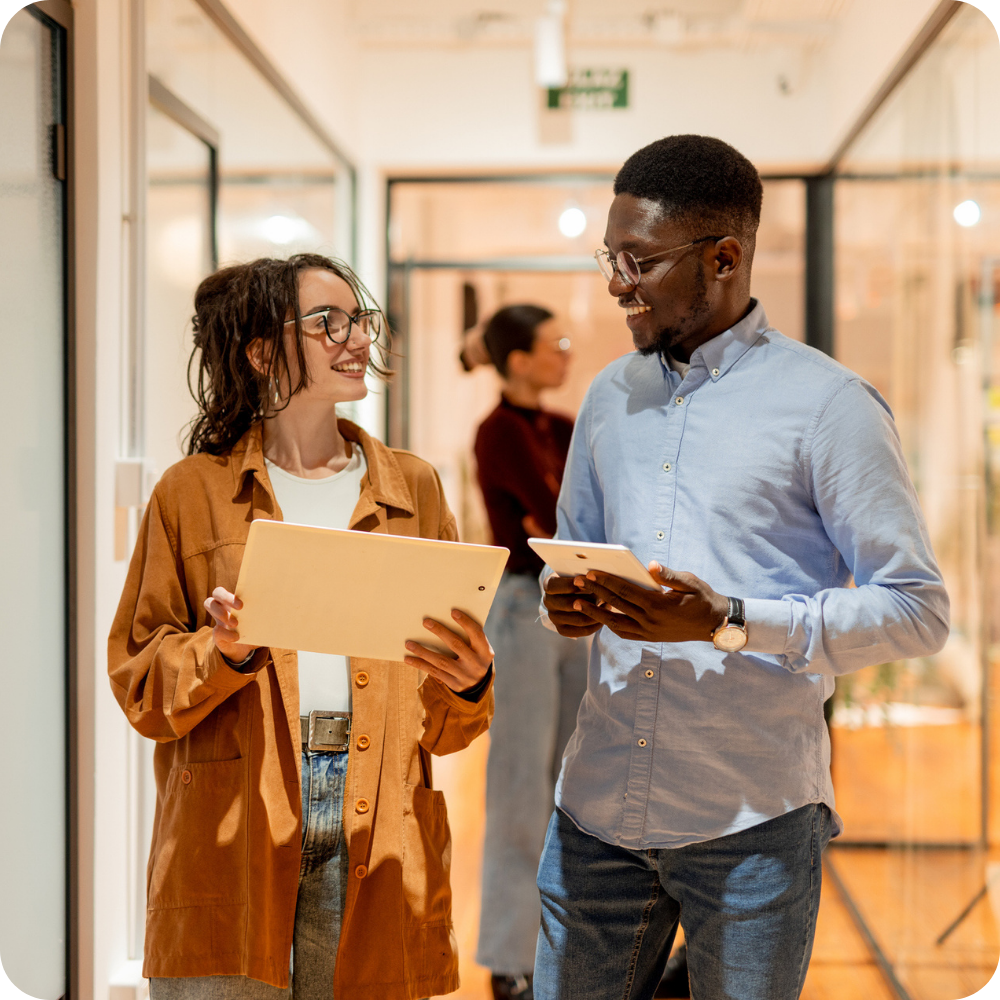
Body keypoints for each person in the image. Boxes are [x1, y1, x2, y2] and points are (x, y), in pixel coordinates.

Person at [534, 135, 950, 1000]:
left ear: (724, 256)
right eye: (612, 257)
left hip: (752, 825)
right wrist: (563, 602)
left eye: (638, 261)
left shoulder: (830, 406)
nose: (616, 282)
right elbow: (569, 550)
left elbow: (917, 608)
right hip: (596, 813)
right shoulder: (610, 396)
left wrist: (729, 621)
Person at [107, 253, 496, 1000]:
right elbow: (140, 686)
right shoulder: (191, 492)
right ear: (260, 353)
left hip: (380, 819)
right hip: (232, 821)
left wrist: (473, 680)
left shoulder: (412, 488)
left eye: (361, 320)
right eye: (327, 323)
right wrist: (220, 653)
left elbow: (448, 729)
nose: (356, 339)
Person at [471, 305, 588, 1000]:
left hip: (573, 606)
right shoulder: (498, 433)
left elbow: (576, 516)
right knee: (520, 787)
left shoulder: (563, 427)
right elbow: (551, 516)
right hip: (521, 606)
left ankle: (564, 946)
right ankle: (509, 957)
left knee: (574, 784)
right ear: (518, 358)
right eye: (555, 345)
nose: (566, 355)